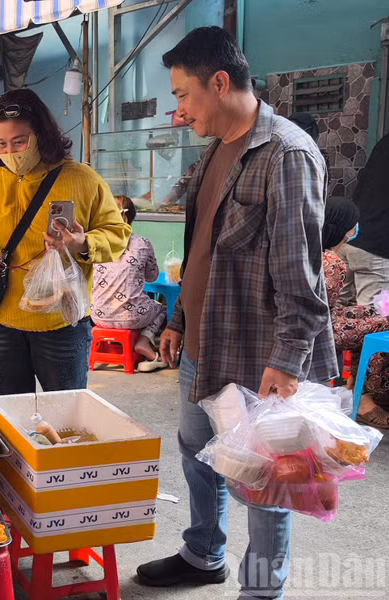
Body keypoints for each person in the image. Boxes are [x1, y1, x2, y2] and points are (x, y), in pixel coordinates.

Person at [135, 27, 338, 599]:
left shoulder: (288, 154)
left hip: (258, 358)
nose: (178, 110)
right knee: (197, 454)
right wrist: (175, 322)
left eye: (181, 95)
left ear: (219, 83)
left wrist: (289, 362)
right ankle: (204, 553)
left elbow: (302, 276)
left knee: (263, 482)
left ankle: (260, 590)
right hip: (202, 346)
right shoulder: (215, 154)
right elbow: (200, 252)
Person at [0, 88, 130, 395]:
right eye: (1, 143)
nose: (11, 152)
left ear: (42, 135)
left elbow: (117, 235)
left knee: (66, 414)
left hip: (61, 325)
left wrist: (81, 244)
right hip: (2, 320)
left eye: (19, 141)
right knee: (10, 413)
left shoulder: (82, 179)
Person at [322, 197, 389, 429]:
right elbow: (323, 312)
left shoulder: (322, 253)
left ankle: (354, 382)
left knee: (372, 312)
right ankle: (366, 398)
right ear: (343, 229)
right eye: (354, 224)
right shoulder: (332, 263)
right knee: (381, 326)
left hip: (325, 320)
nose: (358, 227)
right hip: (321, 330)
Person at [91, 195, 167, 371]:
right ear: (132, 217)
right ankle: (144, 342)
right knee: (161, 309)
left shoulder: (96, 242)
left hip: (98, 315)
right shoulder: (142, 243)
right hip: (132, 317)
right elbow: (152, 277)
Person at [338, 132, 389, 306]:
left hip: (349, 238)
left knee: (335, 315)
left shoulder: (385, 142)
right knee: (377, 323)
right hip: (375, 249)